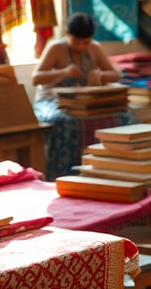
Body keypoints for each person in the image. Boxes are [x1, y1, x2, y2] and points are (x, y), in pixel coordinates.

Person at [32, 13, 132, 179]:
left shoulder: (94, 48)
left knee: (124, 114)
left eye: (85, 42)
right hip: (53, 101)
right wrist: (63, 72)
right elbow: (36, 78)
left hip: (84, 101)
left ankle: (112, 172)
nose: (80, 46)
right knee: (65, 122)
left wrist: (101, 76)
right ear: (66, 33)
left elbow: (115, 74)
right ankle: (64, 176)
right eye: (76, 41)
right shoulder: (56, 47)